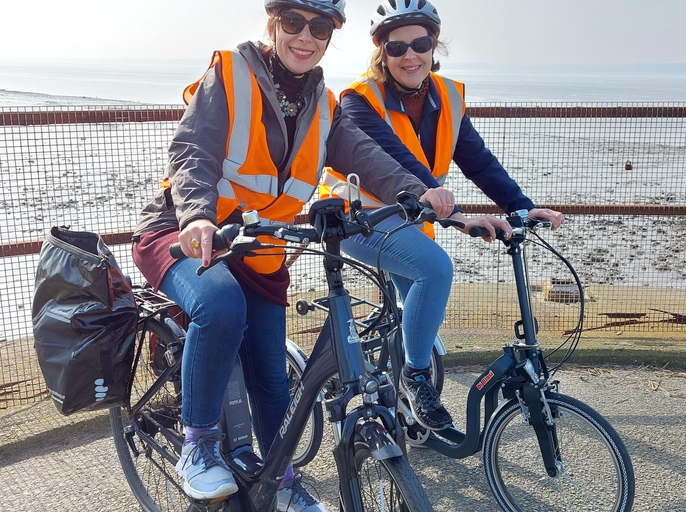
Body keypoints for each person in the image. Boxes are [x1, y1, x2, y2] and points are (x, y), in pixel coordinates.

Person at [131, 0, 455, 509]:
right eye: (293, 22)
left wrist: (419, 191)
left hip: (259, 247)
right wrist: (198, 214)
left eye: (319, 26)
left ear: (331, 35)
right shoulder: (231, 73)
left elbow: (366, 158)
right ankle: (197, 445)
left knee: (271, 369)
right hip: (185, 233)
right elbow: (194, 147)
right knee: (220, 306)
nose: (305, 36)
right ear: (273, 25)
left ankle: (281, 483)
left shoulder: (323, 105)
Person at [319, 0, 565, 432]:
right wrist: (459, 217)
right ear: (382, 52)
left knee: (416, 298)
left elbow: (478, 161)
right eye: (397, 47)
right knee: (434, 271)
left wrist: (521, 207)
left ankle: (402, 385)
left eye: (420, 43)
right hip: (358, 215)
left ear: (435, 45)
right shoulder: (360, 99)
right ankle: (415, 377)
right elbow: (398, 163)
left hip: (409, 216)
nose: (410, 55)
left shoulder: (447, 95)